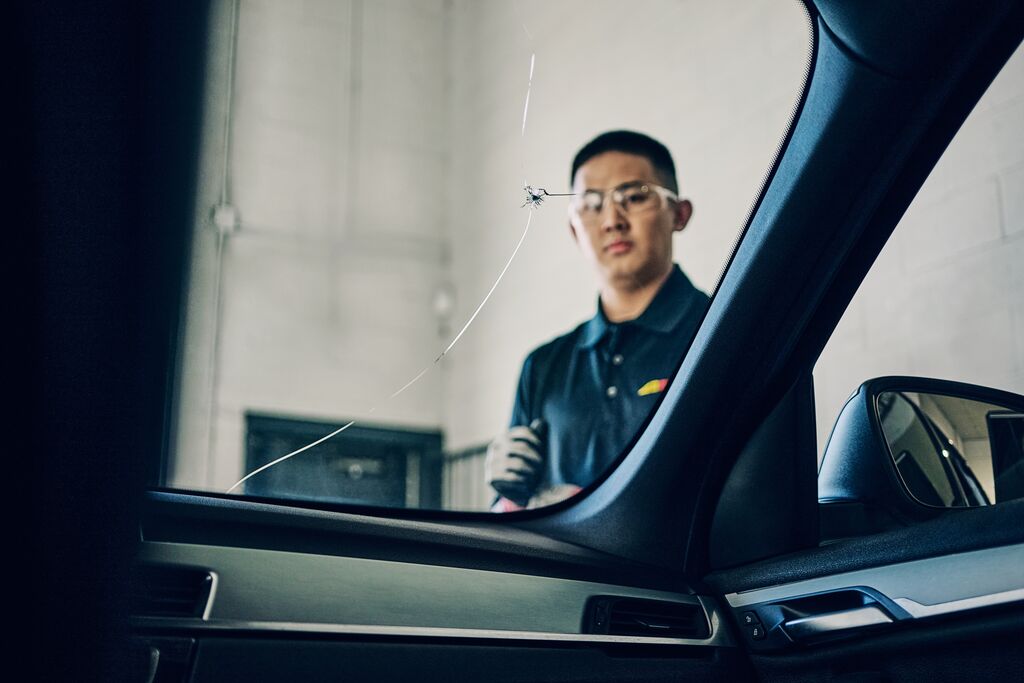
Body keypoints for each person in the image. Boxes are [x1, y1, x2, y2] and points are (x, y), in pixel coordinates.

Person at [485, 130, 711, 511]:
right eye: (591, 204)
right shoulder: (543, 367)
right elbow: (506, 518)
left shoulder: (721, 336)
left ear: (679, 213)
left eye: (634, 197)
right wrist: (508, 494)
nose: (611, 220)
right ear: (574, 229)